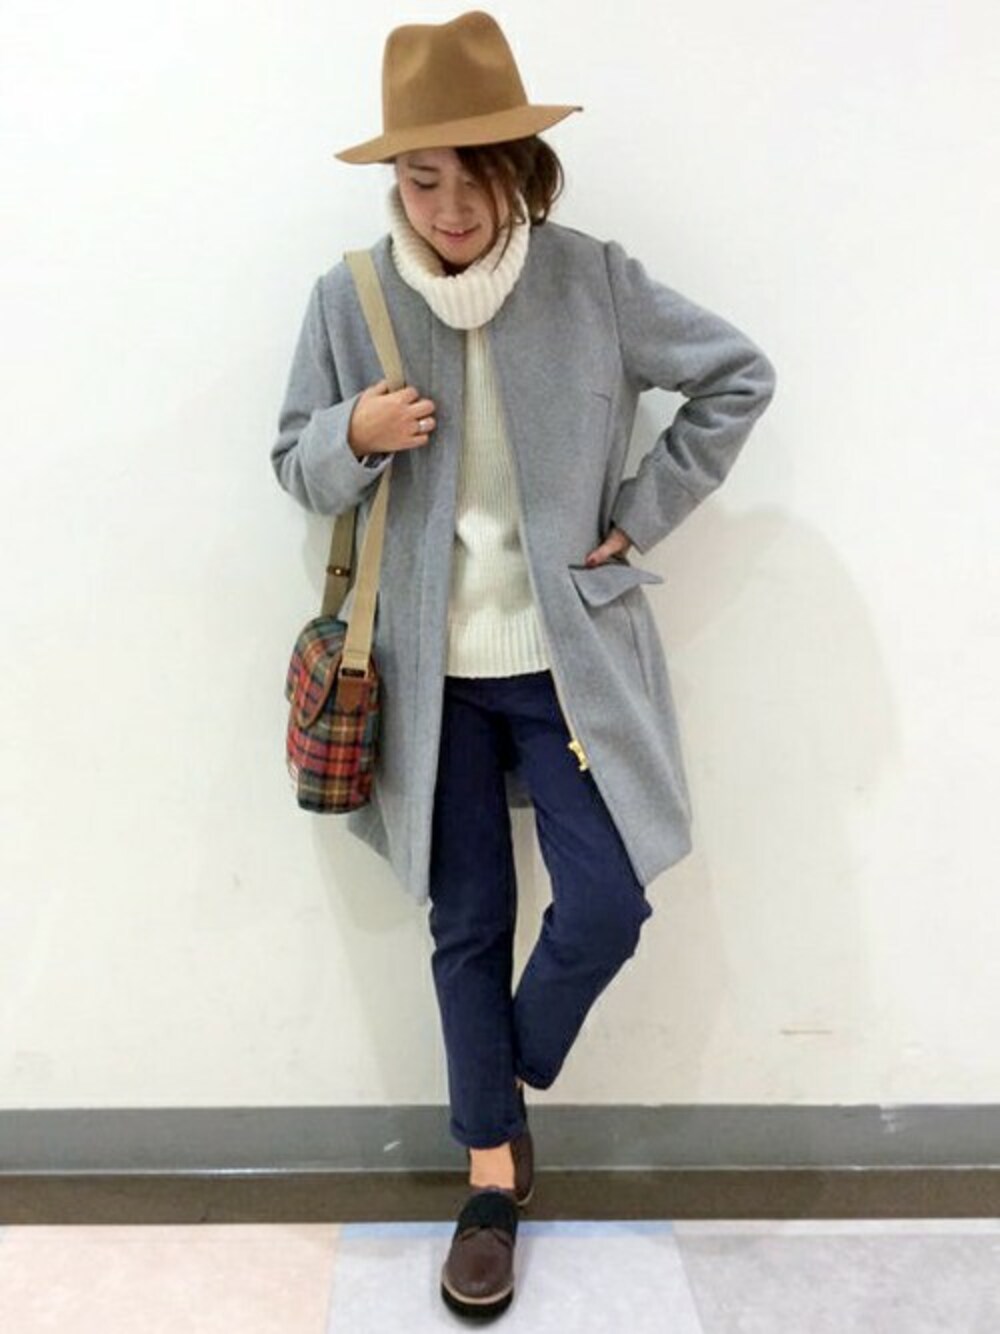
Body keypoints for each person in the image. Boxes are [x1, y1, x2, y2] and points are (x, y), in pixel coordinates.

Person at [271, 9, 776, 1320]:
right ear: (396, 182)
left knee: (605, 902)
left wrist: (641, 515)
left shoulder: (591, 279)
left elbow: (736, 376)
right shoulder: (350, 299)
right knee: (469, 922)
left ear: (522, 168)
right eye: (419, 178)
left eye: (474, 174)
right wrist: (353, 431)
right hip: (425, 676)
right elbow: (292, 464)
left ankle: (504, 1076)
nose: (448, 206)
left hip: (566, 663)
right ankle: (490, 1181)